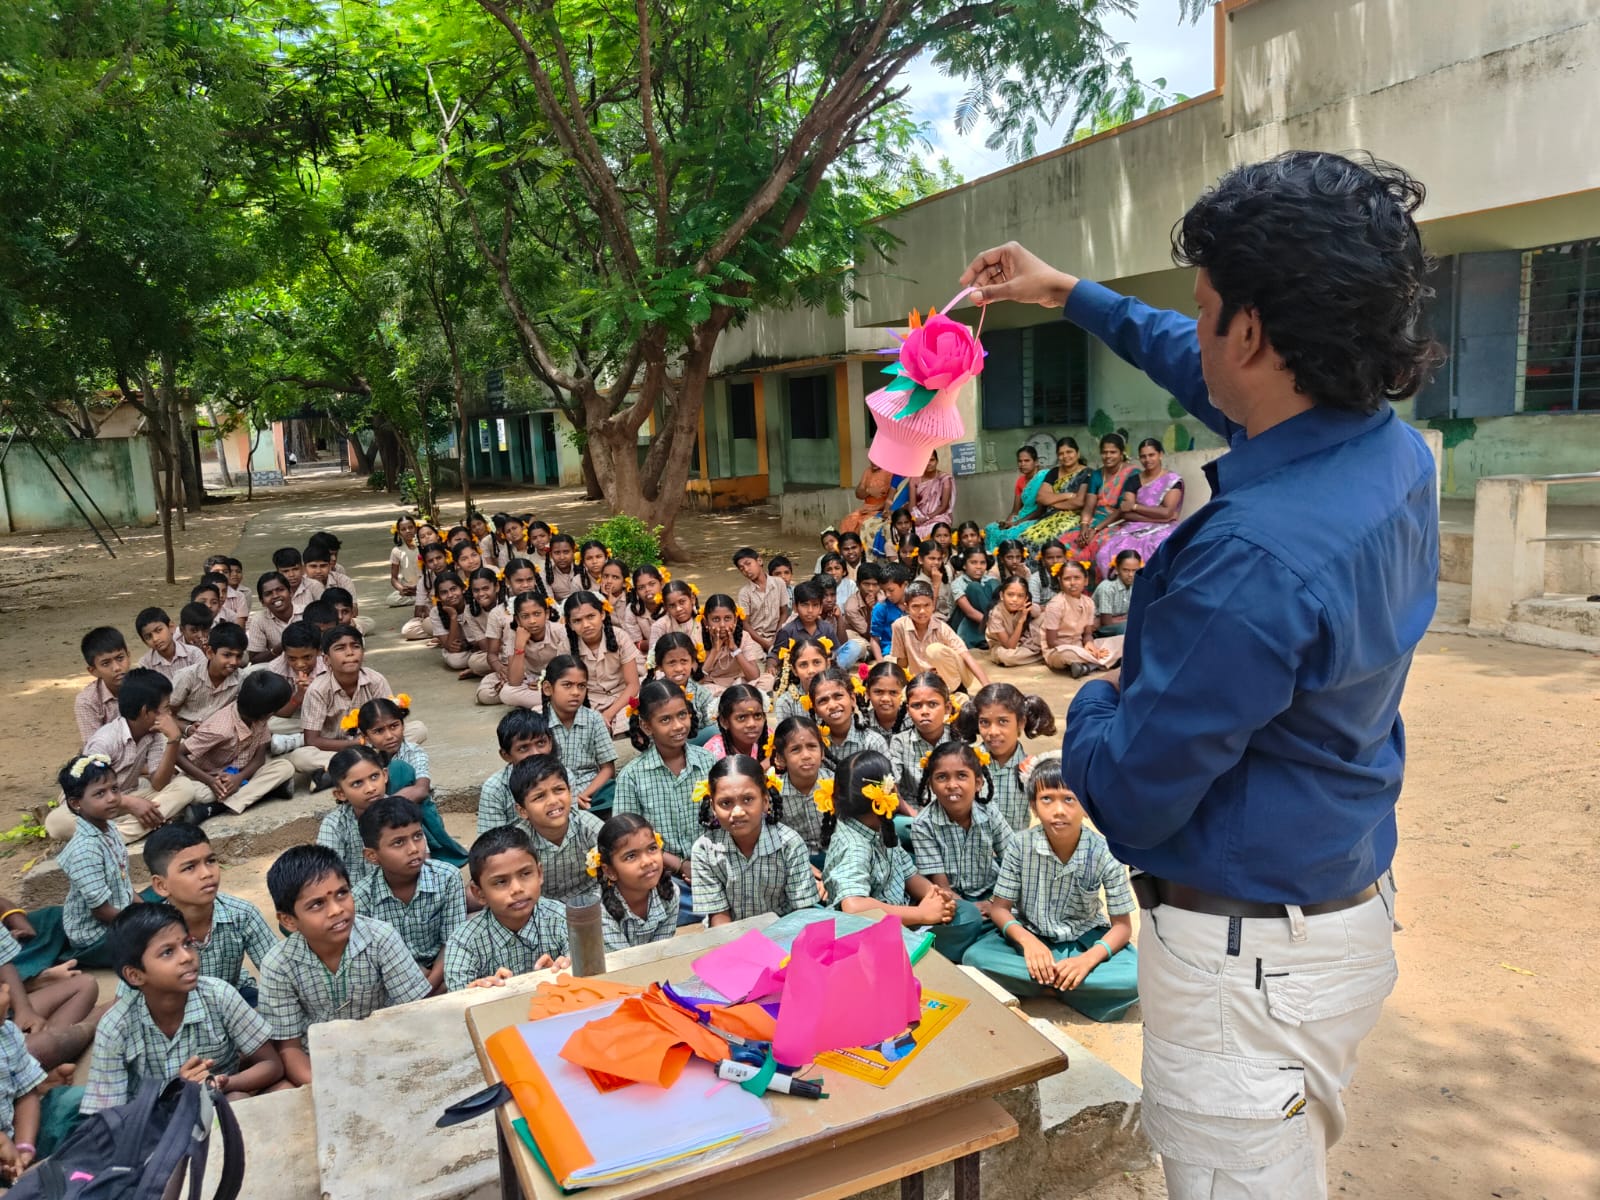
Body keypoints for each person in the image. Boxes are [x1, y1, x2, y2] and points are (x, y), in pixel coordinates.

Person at [962, 149, 1437, 1197]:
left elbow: (1127, 793)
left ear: (1256, 333)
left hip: (1245, 966)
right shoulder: (1383, 453)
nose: (1195, 327)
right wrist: (1060, 291)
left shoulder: (1250, 561)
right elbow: (1193, 360)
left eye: (1208, 307)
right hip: (1336, 911)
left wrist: (1094, 689)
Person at [961, 757, 1138, 1021]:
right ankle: (1068, 987)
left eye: (1069, 799)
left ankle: (1046, 985)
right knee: (974, 958)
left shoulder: (1104, 852)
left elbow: (1122, 927)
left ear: (1086, 807)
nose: (1058, 810)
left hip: (1083, 939)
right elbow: (1000, 909)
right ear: (1033, 805)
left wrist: (1086, 961)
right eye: (1047, 799)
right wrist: (1029, 942)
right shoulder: (1020, 846)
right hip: (1030, 934)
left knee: (1135, 978)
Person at [81, 906, 283, 1112]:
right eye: (168, 952)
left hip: (216, 1106)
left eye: (187, 944)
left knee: (238, 1100)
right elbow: (105, 1116)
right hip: (151, 1122)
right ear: (135, 975)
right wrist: (176, 1097)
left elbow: (272, 1065)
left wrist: (223, 1083)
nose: (187, 957)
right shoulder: (116, 1026)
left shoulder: (219, 995)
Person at [261, 844, 430, 1085]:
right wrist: (329, 1088)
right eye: (317, 904)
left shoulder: (381, 937)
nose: (337, 910)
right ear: (288, 920)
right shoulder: (278, 965)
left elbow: (416, 1013)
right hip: (319, 1064)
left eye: (342, 893)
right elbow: (289, 1049)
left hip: (387, 1050)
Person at [819, 751, 960, 955]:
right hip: (869, 938)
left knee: (964, 914)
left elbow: (909, 874)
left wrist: (938, 898)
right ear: (886, 793)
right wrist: (920, 914)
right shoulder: (854, 846)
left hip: (901, 913)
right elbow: (854, 906)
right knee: (967, 923)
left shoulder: (880, 825)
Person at [52, 669, 212, 843]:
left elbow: (159, 783)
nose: (170, 714)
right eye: (166, 708)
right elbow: (91, 790)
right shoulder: (105, 740)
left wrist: (173, 740)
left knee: (184, 787)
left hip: (128, 794)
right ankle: (136, 827)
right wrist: (130, 803)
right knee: (56, 823)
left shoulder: (156, 735)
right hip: (97, 801)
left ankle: (110, 835)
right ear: (146, 712)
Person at [614, 681, 716, 921]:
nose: (678, 726)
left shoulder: (707, 762)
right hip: (659, 874)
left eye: (682, 715)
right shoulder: (632, 776)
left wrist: (703, 864)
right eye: (665, 720)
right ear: (647, 726)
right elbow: (627, 841)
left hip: (711, 866)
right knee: (657, 901)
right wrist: (680, 865)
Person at [144, 824, 278, 1003]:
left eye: (210, 861)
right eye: (189, 868)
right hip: (180, 1005)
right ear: (161, 885)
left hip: (233, 995)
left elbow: (279, 971)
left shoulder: (242, 914)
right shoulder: (149, 931)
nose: (207, 873)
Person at [908, 740, 1013, 962]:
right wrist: (974, 909)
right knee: (958, 920)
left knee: (1025, 908)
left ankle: (980, 944)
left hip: (991, 891)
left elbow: (1013, 862)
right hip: (955, 902)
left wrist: (995, 902)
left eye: (961, 776)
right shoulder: (923, 824)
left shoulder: (990, 813)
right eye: (942, 777)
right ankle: (982, 944)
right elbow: (941, 886)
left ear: (978, 782)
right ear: (931, 785)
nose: (952, 784)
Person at [354, 796, 466, 996]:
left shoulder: (448, 877)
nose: (414, 849)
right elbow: (373, 963)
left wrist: (426, 989)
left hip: (441, 973)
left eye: (417, 836)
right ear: (372, 856)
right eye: (398, 842)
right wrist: (416, 991)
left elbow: (452, 943)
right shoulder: (360, 899)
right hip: (393, 981)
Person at [690, 756, 816, 924]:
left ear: (765, 801)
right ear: (713, 807)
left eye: (748, 800)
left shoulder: (789, 843)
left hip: (784, 934)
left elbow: (803, 912)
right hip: (730, 938)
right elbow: (720, 919)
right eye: (725, 803)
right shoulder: (704, 850)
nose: (737, 812)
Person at [443, 827, 572, 991]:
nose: (517, 889)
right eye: (500, 882)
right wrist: (476, 996)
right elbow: (458, 1005)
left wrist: (566, 972)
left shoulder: (563, 919)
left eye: (525, 873)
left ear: (539, 874)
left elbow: (593, 969)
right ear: (479, 893)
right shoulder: (463, 943)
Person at [176, 671, 297, 821]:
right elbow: (177, 754)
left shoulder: (260, 720)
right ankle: (264, 793)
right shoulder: (220, 728)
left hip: (241, 775)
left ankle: (218, 807)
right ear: (269, 713)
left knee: (285, 767)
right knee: (193, 792)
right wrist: (211, 781)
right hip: (210, 778)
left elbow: (259, 760)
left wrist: (239, 778)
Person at [55, 755, 139, 968]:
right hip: (94, 934)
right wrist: (141, 923)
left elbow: (124, 883)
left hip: (118, 911)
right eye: (100, 793)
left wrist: (146, 911)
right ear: (76, 803)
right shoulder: (85, 850)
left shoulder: (108, 828)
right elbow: (101, 911)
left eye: (115, 789)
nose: (112, 798)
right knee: (151, 945)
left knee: (164, 910)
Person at [952, 682, 1056, 833]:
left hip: (1016, 852)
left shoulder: (1032, 770)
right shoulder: (965, 763)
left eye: (1003, 721)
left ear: (1021, 722)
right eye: (984, 722)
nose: (993, 731)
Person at [510, 756, 603, 905]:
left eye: (559, 790)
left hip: (593, 901)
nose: (553, 801)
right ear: (522, 811)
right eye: (539, 796)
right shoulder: (518, 844)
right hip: (541, 909)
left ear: (570, 792)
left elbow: (614, 869)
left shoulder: (589, 826)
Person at [1093, 438, 1186, 576]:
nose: (1147, 459)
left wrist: (1135, 506)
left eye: (1151, 455)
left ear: (1160, 454)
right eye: (1143, 456)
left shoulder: (1172, 480)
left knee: (1156, 549)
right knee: (1104, 553)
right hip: (1133, 527)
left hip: (1165, 528)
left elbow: (1167, 512)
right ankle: (1118, 591)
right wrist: (1159, 515)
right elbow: (1126, 513)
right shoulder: (1134, 480)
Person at [542, 656, 619, 811]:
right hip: (553, 794)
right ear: (548, 688)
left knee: (618, 792)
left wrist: (583, 795)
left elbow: (608, 769)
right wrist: (569, 799)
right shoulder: (538, 722)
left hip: (591, 792)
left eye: (581, 686)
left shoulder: (594, 718)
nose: (576, 692)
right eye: (567, 685)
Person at [595, 815, 679, 952]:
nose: (647, 861)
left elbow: (661, 951)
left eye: (652, 848)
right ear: (609, 871)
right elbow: (623, 963)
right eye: (631, 856)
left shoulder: (670, 892)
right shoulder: (599, 911)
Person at [563, 591, 640, 737]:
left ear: (602, 615)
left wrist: (608, 714)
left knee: (643, 709)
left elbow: (633, 685)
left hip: (622, 696)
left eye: (591, 616)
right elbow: (568, 686)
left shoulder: (620, 637)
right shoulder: (566, 645)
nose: (586, 625)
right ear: (570, 624)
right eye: (577, 621)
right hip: (589, 700)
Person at [889, 582, 989, 694]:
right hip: (923, 681)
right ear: (906, 607)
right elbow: (902, 662)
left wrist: (987, 687)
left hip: (952, 679)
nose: (922, 611)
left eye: (927, 605)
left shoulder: (941, 628)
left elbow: (966, 657)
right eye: (916, 606)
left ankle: (955, 690)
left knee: (934, 650)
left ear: (933, 605)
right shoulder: (899, 626)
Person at [316, 746, 391, 887]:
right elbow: (326, 875)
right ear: (341, 794)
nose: (370, 789)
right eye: (357, 783)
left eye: (374, 777)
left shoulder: (402, 812)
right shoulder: (334, 824)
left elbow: (421, 857)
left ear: (385, 775)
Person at [478, 709, 555, 834]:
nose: (535, 753)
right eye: (523, 748)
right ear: (506, 755)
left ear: (550, 743)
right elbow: (492, 844)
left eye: (541, 743)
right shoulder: (494, 789)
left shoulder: (564, 777)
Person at [1041, 561, 1123, 677]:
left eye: (1077, 578)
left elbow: (1087, 634)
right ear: (1060, 582)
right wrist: (1084, 652)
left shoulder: (1089, 602)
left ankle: (1088, 666)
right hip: (1059, 650)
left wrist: (1090, 645)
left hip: (1081, 646)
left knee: (1124, 641)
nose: (1072, 583)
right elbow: (1051, 642)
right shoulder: (1055, 605)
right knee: (1066, 654)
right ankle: (1098, 663)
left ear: (1086, 581)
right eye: (1067, 579)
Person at [1070, 435, 1139, 567]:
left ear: (1121, 453)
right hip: (1095, 520)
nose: (1108, 456)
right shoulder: (1096, 475)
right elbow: (1089, 507)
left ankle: (1097, 586)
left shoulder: (1132, 474)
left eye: (1113, 452)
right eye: (1104, 452)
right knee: (1070, 542)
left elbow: (1123, 509)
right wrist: (1084, 528)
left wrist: (1095, 530)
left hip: (1118, 521)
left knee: (1100, 545)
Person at [769, 716, 832, 858]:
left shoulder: (836, 784)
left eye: (812, 746)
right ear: (780, 759)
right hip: (795, 860)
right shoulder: (774, 794)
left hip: (836, 854)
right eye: (795, 749)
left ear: (822, 752)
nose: (806, 756)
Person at [168, 621, 248, 731]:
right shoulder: (187, 676)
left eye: (238, 656)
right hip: (183, 732)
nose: (234, 662)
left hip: (218, 734)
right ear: (210, 652)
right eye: (227, 655)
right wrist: (187, 728)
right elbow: (165, 713)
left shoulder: (241, 679)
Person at [887, 672, 952, 802]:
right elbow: (892, 785)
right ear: (908, 710)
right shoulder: (900, 742)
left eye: (932, 704)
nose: (924, 712)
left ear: (947, 708)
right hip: (913, 813)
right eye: (916, 706)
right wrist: (915, 816)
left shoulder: (958, 741)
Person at [1019, 438, 1093, 550]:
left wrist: (1052, 502)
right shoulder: (1054, 472)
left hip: (1073, 517)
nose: (1065, 456)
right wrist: (1068, 495)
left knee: (1043, 540)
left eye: (1069, 452)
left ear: (1077, 453)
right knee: (1025, 538)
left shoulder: (1088, 473)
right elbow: (1041, 497)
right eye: (1061, 454)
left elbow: (1079, 502)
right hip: (1049, 517)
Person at [0, 1001, 45, 1182]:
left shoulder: (8, 1033)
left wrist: (24, 1148)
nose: (8, 989)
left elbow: (26, 1093)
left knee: (74, 1105)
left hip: (13, 1135)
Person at [982, 446, 1046, 551]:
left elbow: (1040, 511)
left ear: (1036, 462)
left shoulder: (1043, 477)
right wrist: (1007, 524)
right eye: (1020, 461)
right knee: (991, 529)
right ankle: (993, 563)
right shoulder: (1020, 481)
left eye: (1027, 460)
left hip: (1036, 518)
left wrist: (1016, 523)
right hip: (1021, 517)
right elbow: (1015, 511)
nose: (1023, 464)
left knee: (1008, 536)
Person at [73, 627, 130, 743]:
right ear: (93, 671)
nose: (117, 668)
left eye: (120, 658)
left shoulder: (145, 686)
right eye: (105, 663)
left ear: (128, 656)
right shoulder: (87, 702)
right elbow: (95, 750)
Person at [838, 462, 905, 559]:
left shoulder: (890, 473)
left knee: (864, 523)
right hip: (866, 507)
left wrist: (876, 508)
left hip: (880, 509)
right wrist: (868, 491)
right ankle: (847, 555)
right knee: (848, 520)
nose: (873, 462)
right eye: (871, 460)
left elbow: (892, 499)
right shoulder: (867, 471)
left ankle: (863, 555)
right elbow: (858, 493)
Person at [733, 547, 789, 654]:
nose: (746, 569)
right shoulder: (744, 593)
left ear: (759, 561)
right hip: (755, 638)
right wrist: (765, 644)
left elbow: (784, 613)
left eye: (748, 563)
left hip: (778, 633)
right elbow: (745, 625)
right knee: (757, 665)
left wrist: (776, 638)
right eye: (741, 568)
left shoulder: (779, 583)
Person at [985, 576, 1043, 668]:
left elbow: (1041, 612)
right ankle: (1040, 654)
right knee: (1006, 656)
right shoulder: (995, 614)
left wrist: (1029, 610)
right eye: (1010, 594)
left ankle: (1038, 650)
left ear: (1026, 598)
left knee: (1044, 618)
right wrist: (1021, 621)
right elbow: (1010, 646)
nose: (1015, 599)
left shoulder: (1026, 606)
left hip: (1024, 640)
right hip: (1003, 646)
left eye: (1020, 596)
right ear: (1002, 596)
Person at [135, 607, 206, 681]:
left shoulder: (194, 654)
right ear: (144, 642)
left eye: (159, 630)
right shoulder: (145, 665)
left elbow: (205, 684)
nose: (155, 639)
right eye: (148, 637)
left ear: (171, 627)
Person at [702, 684, 766, 761]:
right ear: (724, 722)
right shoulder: (713, 752)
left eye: (757, 715)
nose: (752, 724)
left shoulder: (770, 740)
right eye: (741, 718)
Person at [950, 547, 997, 650]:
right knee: (974, 587)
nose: (978, 567)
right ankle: (980, 638)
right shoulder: (957, 583)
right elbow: (969, 612)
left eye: (982, 563)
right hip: (966, 620)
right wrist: (995, 623)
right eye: (973, 563)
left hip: (990, 621)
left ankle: (988, 637)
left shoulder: (991, 580)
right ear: (964, 565)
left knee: (993, 584)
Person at [246, 571, 296, 664]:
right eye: (268, 594)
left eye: (280, 590)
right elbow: (254, 659)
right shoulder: (259, 620)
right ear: (262, 602)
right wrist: (279, 649)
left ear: (290, 592)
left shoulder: (306, 612)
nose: (275, 596)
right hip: (277, 666)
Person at [1092, 550, 1142, 637]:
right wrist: (1127, 619)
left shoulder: (1137, 586)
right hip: (1099, 629)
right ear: (1117, 569)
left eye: (1134, 570)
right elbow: (1106, 622)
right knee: (1128, 627)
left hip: (1120, 624)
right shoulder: (1107, 588)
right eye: (1126, 570)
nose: (1130, 574)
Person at [908, 452, 955, 538]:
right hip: (919, 516)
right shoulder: (914, 479)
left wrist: (927, 518)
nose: (928, 463)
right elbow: (912, 506)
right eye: (925, 460)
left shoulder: (944, 479)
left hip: (938, 516)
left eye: (932, 460)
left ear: (937, 461)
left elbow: (944, 506)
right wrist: (916, 518)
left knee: (935, 529)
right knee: (909, 531)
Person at [388, 516, 420, 606]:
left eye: (410, 528)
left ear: (416, 528)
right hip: (408, 589)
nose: (408, 531)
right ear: (399, 533)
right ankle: (420, 598)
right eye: (403, 529)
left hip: (425, 585)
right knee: (391, 599)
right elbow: (394, 578)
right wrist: (401, 589)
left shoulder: (423, 547)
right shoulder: (396, 551)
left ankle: (420, 597)